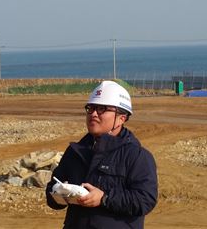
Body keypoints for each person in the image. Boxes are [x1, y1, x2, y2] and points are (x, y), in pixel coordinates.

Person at [46, 80, 158, 229]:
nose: (93, 114)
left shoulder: (137, 156)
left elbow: (145, 200)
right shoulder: (75, 152)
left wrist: (104, 198)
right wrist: (61, 194)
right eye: (90, 108)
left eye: (101, 109)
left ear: (121, 118)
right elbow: (51, 193)